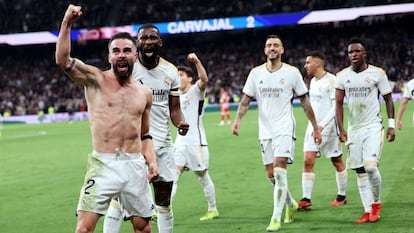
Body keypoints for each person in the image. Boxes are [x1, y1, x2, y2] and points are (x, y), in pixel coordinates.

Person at [55, 4, 159, 233]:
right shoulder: (95, 80)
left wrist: (152, 162)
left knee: (143, 228)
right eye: (116, 51)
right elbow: (63, 60)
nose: (121, 55)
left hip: (134, 165)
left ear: (135, 54)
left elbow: (145, 135)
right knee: (83, 229)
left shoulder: (145, 93)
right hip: (103, 164)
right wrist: (67, 22)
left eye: (126, 50)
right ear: (110, 56)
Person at [104, 23, 189, 233]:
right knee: (118, 199)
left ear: (159, 42)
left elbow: (175, 109)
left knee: (164, 201)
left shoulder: (170, 72)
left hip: (162, 146)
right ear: (137, 43)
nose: (148, 42)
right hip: (132, 147)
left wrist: (180, 123)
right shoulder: (127, 69)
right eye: (144, 38)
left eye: (153, 38)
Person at [231, 34, 322, 232]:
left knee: (280, 169)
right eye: (269, 45)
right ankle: (290, 204)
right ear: (265, 50)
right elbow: (246, 100)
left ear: (282, 50)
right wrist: (238, 119)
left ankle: (276, 217)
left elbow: (305, 101)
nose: (272, 48)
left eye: (276, 45)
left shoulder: (292, 72)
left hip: (284, 127)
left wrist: (315, 126)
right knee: (271, 175)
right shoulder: (255, 73)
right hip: (265, 130)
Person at [336, 37, 395, 224]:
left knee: (370, 166)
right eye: (350, 52)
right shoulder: (342, 76)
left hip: (372, 127)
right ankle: (367, 209)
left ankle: (376, 203)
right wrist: (342, 129)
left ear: (364, 53)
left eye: (357, 51)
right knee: (359, 170)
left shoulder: (377, 73)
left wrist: (391, 125)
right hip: (354, 129)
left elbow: (388, 99)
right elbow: (338, 103)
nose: (353, 55)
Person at [171, 53, 219, 221]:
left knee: (203, 177)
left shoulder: (196, 91)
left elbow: (204, 79)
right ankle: (164, 210)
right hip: (179, 143)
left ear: (190, 79)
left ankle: (213, 209)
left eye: (181, 75)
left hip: (195, 143)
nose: (178, 78)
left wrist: (197, 61)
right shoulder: (174, 95)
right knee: (172, 177)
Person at [298, 51, 348, 210]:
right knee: (307, 160)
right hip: (313, 127)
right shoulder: (312, 81)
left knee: (336, 160)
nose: (305, 66)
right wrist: (315, 125)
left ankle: (342, 195)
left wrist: (322, 125)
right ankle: (306, 199)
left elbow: (336, 106)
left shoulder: (332, 80)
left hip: (328, 128)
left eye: (308, 63)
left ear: (317, 64)